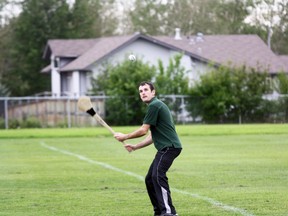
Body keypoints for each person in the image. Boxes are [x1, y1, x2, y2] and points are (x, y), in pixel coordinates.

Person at [114, 81, 182, 216]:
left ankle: (168, 212)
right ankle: (159, 212)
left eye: (145, 90)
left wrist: (125, 136)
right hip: (167, 148)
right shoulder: (155, 106)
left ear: (153, 92)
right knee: (150, 179)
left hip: (170, 148)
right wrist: (135, 147)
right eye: (140, 91)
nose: (143, 93)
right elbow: (152, 136)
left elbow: (143, 130)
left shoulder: (154, 106)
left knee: (157, 176)